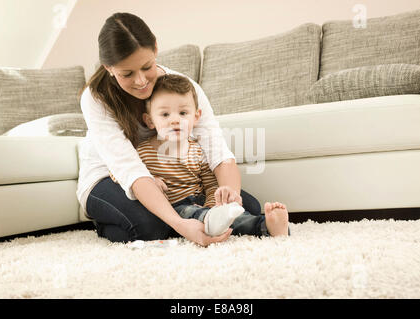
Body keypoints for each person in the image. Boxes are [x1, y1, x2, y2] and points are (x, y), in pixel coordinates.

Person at [76, 12, 263, 247]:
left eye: (147, 67)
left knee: (247, 207)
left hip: (171, 178)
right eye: (127, 74)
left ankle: (183, 218)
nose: (141, 81)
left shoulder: (182, 87)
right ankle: (110, 219)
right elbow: (129, 170)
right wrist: (180, 224)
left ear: (155, 47)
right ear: (109, 67)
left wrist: (229, 200)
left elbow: (218, 151)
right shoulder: (95, 97)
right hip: (108, 177)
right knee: (150, 227)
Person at [110, 74, 290, 238]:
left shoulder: (198, 151)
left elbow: (211, 184)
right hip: (175, 207)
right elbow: (120, 174)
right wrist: (150, 179)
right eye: (165, 114)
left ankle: (265, 225)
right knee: (194, 215)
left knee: (238, 212)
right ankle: (214, 221)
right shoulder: (142, 151)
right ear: (149, 120)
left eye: (182, 113)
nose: (174, 120)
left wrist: (215, 204)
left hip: (201, 202)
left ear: (196, 117)